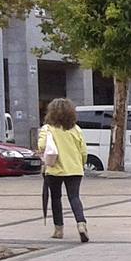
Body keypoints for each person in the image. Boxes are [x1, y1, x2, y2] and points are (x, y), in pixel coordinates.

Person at [38, 98, 88, 242]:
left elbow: (42, 146)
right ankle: (81, 223)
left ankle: (58, 229)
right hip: (75, 169)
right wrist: (81, 163)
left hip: (54, 169)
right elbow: (83, 151)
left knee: (56, 198)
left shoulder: (47, 129)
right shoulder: (76, 129)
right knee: (74, 197)